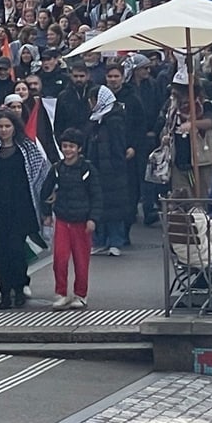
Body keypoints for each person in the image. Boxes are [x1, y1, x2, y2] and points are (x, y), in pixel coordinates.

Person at [0, 110, 50, 309]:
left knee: (17, 250)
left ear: (14, 127)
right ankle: (4, 291)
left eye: (7, 126)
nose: (3, 130)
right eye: (0, 126)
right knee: (1, 252)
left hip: (21, 207)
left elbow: (41, 173)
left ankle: (19, 287)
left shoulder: (26, 148)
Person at [40, 129, 102, 310]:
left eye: (71, 146)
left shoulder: (87, 169)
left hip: (82, 222)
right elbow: (45, 191)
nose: (67, 150)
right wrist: (46, 214)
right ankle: (61, 293)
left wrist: (93, 219)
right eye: (65, 146)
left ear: (79, 148)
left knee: (81, 261)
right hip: (62, 219)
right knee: (60, 258)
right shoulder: (57, 169)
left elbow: (96, 195)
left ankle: (80, 294)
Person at [84, 86, 131, 256]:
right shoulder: (95, 119)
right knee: (98, 206)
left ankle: (116, 241)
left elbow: (118, 146)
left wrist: (117, 168)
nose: (90, 103)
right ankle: (100, 240)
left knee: (114, 206)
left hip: (112, 170)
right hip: (96, 168)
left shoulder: (114, 119)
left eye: (93, 99)